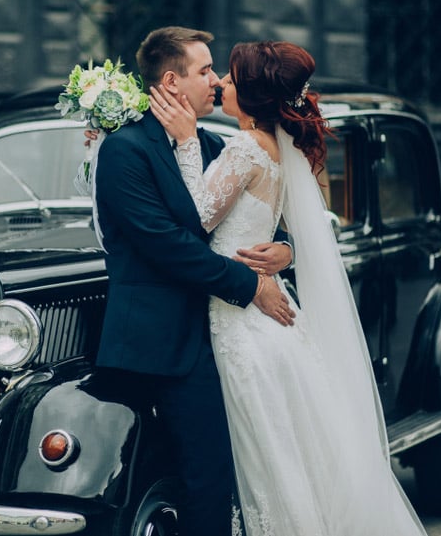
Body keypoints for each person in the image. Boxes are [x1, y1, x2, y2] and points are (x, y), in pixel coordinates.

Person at [150, 40, 428, 535]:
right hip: (265, 322)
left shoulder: (242, 148)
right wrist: (287, 249)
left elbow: (195, 218)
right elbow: (283, 224)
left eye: (230, 79)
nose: (220, 83)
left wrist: (189, 141)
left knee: (267, 462)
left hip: (241, 328)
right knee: (290, 457)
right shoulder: (274, 149)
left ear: (252, 95)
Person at [92, 27, 295, 536]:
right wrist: (250, 285)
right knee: (201, 474)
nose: (216, 81)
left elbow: (256, 215)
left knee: (216, 474)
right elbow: (166, 245)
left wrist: (283, 252)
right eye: (204, 71)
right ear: (171, 81)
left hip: (217, 335)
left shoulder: (210, 143)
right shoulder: (124, 150)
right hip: (160, 341)